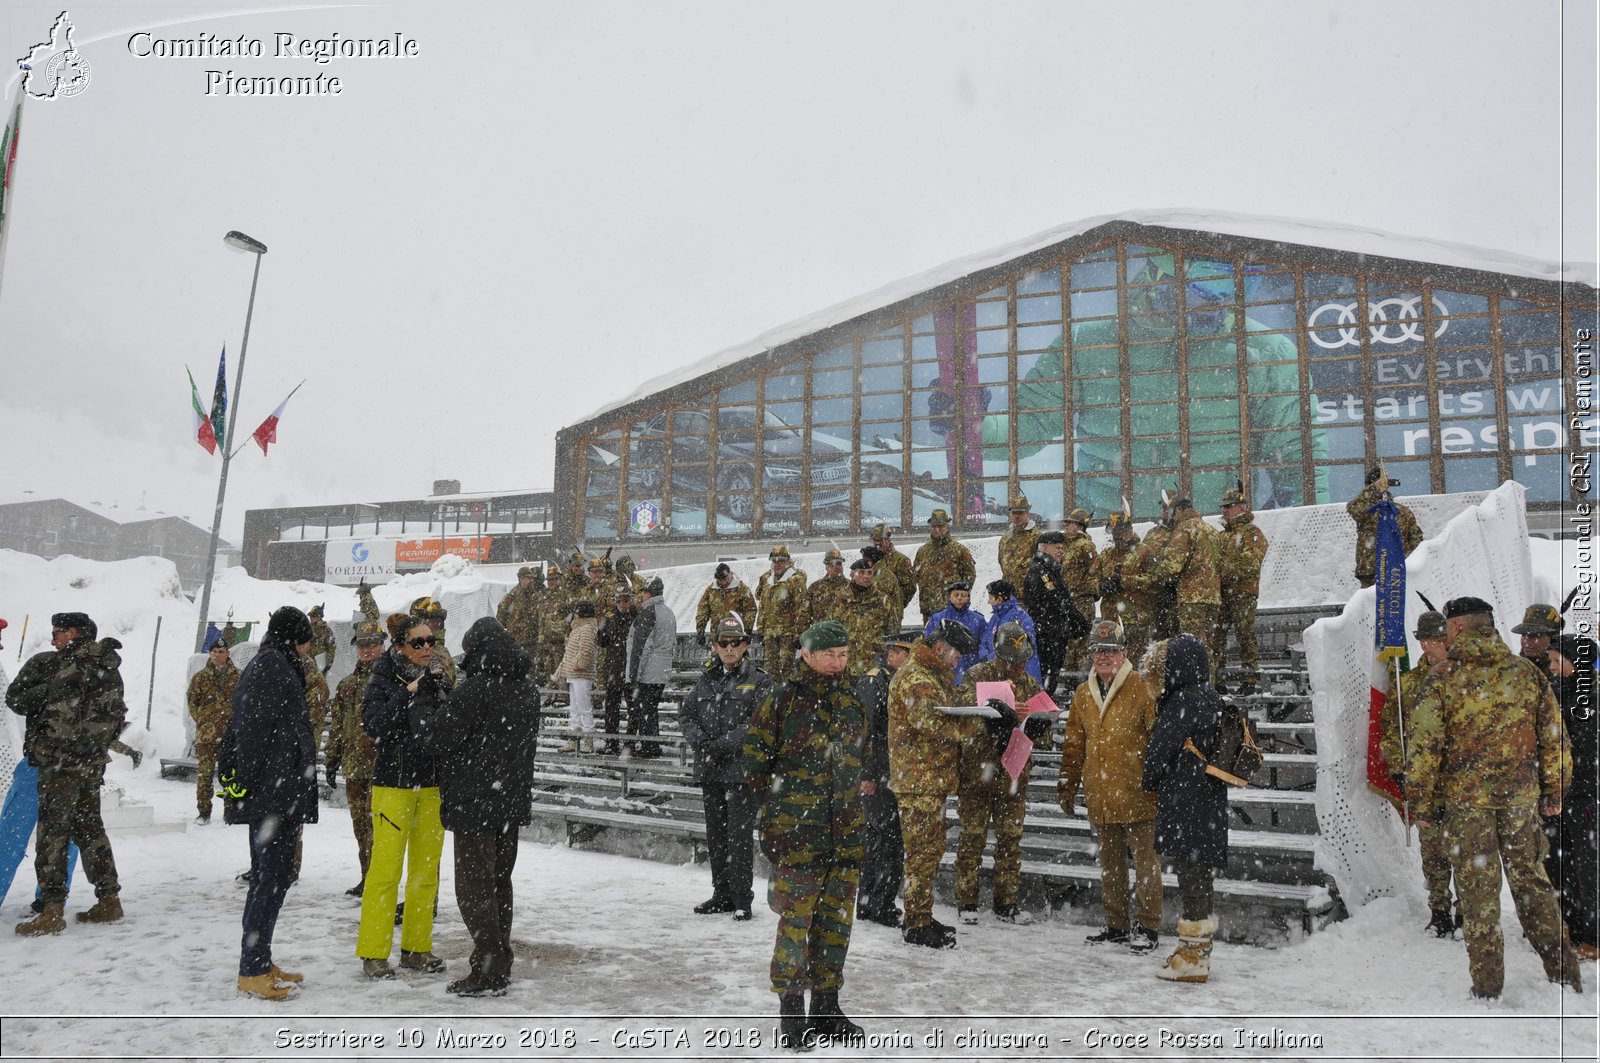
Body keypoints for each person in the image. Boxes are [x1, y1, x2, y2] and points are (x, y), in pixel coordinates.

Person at [1406, 597, 1581, 1000]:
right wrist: (1554, 793)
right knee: (1533, 886)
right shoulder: (1527, 675)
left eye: (1449, 628)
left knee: (1478, 897)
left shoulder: (1443, 678)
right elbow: (1555, 740)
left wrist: (1422, 803)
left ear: (1458, 628)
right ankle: (1564, 973)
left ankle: (1487, 989)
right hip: (1520, 803)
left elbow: (1424, 749)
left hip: (1468, 808)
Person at [743, 619, 867, 1050]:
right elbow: (755, 765)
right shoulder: (781, 701)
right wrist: (783, 815)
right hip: (798, 836)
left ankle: (827, 1008)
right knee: (795, 924)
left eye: (845, 655)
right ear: (808, 655)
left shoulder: (853, 700)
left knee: (835, 925)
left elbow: (859, 761)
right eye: (830, 655)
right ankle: (793, 1013)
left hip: (845, 833)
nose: (838, 663)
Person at [435, 617, 541, 997]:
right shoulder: (527, 691)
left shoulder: (474, 691)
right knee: (499, 885)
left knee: (474, 890)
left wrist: (423, 705)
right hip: (508, 804)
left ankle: (489, 964)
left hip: (473, 804)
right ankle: (499, 959)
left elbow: (437, 738)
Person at [219, 606, 319, 1000]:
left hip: (277, 791)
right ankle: (253, 968)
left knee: (268, 877)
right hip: (272, 795)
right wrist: (256, 787)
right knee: (271, 878)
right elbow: (251, 731)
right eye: (308, 637)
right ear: (296, 636)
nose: (312, 647)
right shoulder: (273, 666)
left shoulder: (275, 663)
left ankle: (260, 959)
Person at [8, 611, 127, 936]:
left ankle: (51, 910)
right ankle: (109, 898)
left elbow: (53, 714)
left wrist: (53, 746)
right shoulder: (109, 665)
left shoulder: (65, 666)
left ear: (73, 633)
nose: (53, 639)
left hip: (61, 765)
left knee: (53, 835)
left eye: (58, 633)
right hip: (90, 764)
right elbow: (117, 715)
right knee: (90, 830)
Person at [358, 613, 452, 979]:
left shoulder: (439, 677)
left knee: (426, 873)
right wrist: (408, 692)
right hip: (394, 786)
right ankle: (374, 952)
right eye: (419, 642)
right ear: (399, 646)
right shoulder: (382, 677)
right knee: (384, 873)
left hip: (431, 786)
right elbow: (374, 723)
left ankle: (417, 948)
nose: (428, 648)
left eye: (431, 641)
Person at [1060, 620, 1161, 952]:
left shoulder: (1144, 687)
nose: (1104, 657)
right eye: (1098, 651)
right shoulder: (1082, 693)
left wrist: (1159, 782)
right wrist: (1068, 782)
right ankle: (1116, 924)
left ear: (1125, 653)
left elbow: (1158, 742)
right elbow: (1074, 743)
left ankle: (1148, 927)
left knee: (1146, 865)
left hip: (1139, 792)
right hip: (1101, 793)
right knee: (1111, 865)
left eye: (1111, 651)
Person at [1141, 634, 1229, 983]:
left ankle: (1192, 959)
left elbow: (1158, 754)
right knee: (1200, 878)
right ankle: (1197, 949)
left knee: (1191, 878)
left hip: (1186, 803)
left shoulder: (1182, 702)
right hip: (1207, 803)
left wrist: (1149, 779)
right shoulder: (1211, 697)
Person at [889, 619, 981, 949]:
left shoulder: (931, 674)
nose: (958, 662)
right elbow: (931, 721)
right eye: (956, 655)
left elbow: (949, 704)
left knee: (930, 852)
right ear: (940, 649)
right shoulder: (916, 676)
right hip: (918, 782)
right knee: (921, 856)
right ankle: (916, 924)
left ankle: (921, 914)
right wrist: (979, 725)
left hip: (929, 780)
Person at [954, 621, 1053, 925]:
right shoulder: (976, 677)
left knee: (1010, 842)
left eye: (1022, 661)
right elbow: (961, 722)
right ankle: (967, 901)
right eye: (1011, 660)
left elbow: (1045, 735)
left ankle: (1006, 902)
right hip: (977, 774)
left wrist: (1035, 723)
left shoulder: (1030, 685)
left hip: (1013, 775)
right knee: (972, 840)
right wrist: (993, 719)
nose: (1016, 666)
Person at [681, 616, 772, 921]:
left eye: (736, 643)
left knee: (739, 838)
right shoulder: (705, 679)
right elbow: (687, 715)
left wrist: (722, 744)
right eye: (724, 643)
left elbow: (758, 724)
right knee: (716, 837)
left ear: (746, 645)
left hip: (740, 772)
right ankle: (721, 894)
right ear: (715, 646)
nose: (730, 648)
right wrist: (701, 742)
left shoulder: (760, 681)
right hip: (710, 770)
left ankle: (742, 900)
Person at [1378, 609, 1458, 936]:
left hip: (1462, 779)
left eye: (1442, 639)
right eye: (1432, 640)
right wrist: (1399, 768)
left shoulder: (1464, 676)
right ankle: (1439, 909)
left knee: (1466, 851)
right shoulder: (1409, 684)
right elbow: (1392, 729)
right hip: (1425, 779)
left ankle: (1468, 913)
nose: (1438, 645)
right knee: (1434, 851)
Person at [1546, 633, 1599, 961]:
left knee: (1587, 868)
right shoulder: (1553, 694)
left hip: (1585, 798)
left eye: (1556, 660)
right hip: (1555, 797)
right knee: (1556, 863)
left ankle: (1591, 936)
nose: (1551, 667)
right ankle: (1566, 925)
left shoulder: (1590, 699)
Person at [325, 619, 385, 896]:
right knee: (361, 827)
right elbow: (338, 724)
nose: (367, 650)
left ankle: (381, 882)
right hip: (354, 766)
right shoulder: (347, 684)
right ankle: (367, 877)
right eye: (362, 645)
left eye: (372, 644)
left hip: (382, 767)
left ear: (382, 646)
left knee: (382, 830)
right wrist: (332, 757)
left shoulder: (391, 680)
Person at [855, 636, 912, 928]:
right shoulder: (874, 682)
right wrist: (866, 774)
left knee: (881, 840)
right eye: (907, 654)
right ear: (892, 654)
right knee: (887, 840)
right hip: (878, 773)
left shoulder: (892, 680)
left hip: (890, 772)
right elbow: (863, 730)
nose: (911, 660)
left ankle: (871, 903)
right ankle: (879, 904)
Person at [1124, 498, 1220, 666]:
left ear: (1178, 511)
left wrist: (1154, 577)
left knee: (1191, 646)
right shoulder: (1211, 530)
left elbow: (1171, 566)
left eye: (1171, 512)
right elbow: (1222, 565)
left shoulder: (1184, 529)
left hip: (1192, 598)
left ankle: (1194, 688)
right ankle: (1207, 685)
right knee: (1207, 646)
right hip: (1213, 597)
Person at [1213, 485, 1270, 693]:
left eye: (1229, 506)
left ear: (1241, 507)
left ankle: (1249, 679)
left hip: (1243, 593)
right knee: (1217, 635)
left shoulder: (1252, 533)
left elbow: (1251, 562)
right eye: (1223, 507)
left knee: (1245, 634)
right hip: (1223, 593)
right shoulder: (1222, 536)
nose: (1224, 510)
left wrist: (1224, 572)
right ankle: (1218, 679)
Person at [188, 635, 239, 825]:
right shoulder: (200, 678)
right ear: (210, 654)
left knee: (230, 774)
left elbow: (245, 701)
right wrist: (204, 720)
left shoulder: (238, 676)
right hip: (207, 735)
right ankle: (203, 811)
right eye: (215, 652)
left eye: (221, 652)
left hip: (230, 735)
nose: (218, 655)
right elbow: (193, 703)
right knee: (205, 775)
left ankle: (230, 811)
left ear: (227, 653)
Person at [1092, 513, 1154, 667]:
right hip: (1110, 618)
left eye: (1119, 532)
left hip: (1135, 617)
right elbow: (1091, 579)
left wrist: (1124, 581)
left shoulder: (1144, 551)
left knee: (1132, 663)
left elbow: (1154, 581)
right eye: (1114, 532)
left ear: (1129, 530)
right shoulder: (1106, 554)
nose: (1116, 536)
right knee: (1109, 661)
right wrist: (1101, 586)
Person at [1347, 465, 1424, 589]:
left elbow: (1416, 542)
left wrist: (1414, 565)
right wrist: (1373, 489)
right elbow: (1354, 509)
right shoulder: (1367, 511)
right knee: (1373, 605)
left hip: (1398, 570)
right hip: (1371, 571)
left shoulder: (1402, 512)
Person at [627, 577, 676, 758]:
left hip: (649, 670)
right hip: (662, 669)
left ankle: (649, 747)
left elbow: (642, 647)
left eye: (642, 592)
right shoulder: (669, 612)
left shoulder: (649, 613)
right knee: (651, 709)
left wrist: (634, 674)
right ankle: (652, 744)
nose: (640, 596)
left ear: (648, 593)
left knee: (645, 710)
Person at [1023, 532, 1077, 695]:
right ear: (1044, 548)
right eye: (1057, 547)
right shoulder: (1041, 571)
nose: (1061, 551)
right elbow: (1056, 598)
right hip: (1047, 633)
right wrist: (1075, 618)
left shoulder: (1051, 569)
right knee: (1046, 676)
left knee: (1051, 675)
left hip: (1053, 631)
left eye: (1062, 548)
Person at [910, 509, 976, 627]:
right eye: (934, 526)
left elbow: (969, 577)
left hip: (953, 611)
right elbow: (915, 577)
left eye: (941, 526)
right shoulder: (922, 552)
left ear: (947, 526)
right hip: (929, 610)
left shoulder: (959, 550)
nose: (937, 530)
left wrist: (959, 600)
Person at [756, 547, 809, 683]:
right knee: (770, 668)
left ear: (788, 562)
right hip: (769, 632)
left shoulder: (795, 580)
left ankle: (786, 697)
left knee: (786, 668)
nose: (778, 564)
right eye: (774, 561)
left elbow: (801, 608)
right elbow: (763, 605)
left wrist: (799, 633)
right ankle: (772, 697)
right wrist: (760, 629)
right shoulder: (767, 579)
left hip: (788, 633)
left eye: (781, 561)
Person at [551, 601, 598, 754]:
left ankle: (588, 740)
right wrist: (561, 670)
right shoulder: (577, 629)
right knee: (575, 708)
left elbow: (586, 649)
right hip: (573, 674)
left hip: (581, 674)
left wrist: (579, 663)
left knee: (584, 707)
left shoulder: (586, 629)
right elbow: (568, 654)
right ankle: (574, 738)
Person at [595, 588, 637, 755]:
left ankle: (630, 743)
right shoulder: (610, 620)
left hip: (630, 670)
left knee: (633, 709)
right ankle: (611, 742)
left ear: (631, 601)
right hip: (614, 669)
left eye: (625, 600)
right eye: (619, 601)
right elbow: (602, 642)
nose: (622, 604)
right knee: (611, 709)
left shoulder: (636, 620)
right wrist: (601, 629)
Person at [839, 558, 896, 680]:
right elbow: (833, 631)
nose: (866, 576)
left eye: (870, 573)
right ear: (853, 575)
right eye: (861, 573)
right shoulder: (841, 599)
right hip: (847, 665)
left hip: (874, 666)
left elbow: (892, 632)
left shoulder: (882, 600)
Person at [922, 580, 986, 685]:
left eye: (963, 595)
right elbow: (928, 644)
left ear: (969, 598)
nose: (959, 598)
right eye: (956, 595)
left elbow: (984, 644)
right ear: (949, 597)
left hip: (969, 670)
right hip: (943, 669)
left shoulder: (979, 620)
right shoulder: (937, 618)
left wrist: (975, 660)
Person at [1059, 508, 1099, 671]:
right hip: (1067, 600)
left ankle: (1081, 679)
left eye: (1071, 523)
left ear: (1080, 526)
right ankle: (1069, 676)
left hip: (1081, 600)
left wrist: (1088, 590)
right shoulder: (1064, 544)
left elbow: (1095, 570)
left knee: (1081, 642)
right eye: (1066, 522)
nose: (1066, 525)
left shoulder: (1085, 545)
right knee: (1068, 641)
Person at [978, 580, 1040, 684]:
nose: (989, 602)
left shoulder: (1020, 617)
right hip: (998, 671)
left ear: (999, 599)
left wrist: (992, 658)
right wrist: (984, 656)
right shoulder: (995, 617)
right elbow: (985, 640)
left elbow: (1021, 647)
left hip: (1018, 674)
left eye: (991, 598)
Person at [496, 565, 546, 679]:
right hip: (516, 641)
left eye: (532, 578)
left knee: (531, 671)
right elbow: (500, 616)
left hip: (532, 641)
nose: (531, 581)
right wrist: (512, 628)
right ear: (521, 579)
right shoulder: (512, 596)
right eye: (528, 578)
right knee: (516, 670)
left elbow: (541, 616)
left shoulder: (536, 595)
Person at [695, 563, 759, 645]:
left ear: (730, 574)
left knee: (735, 656)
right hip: (717, 635)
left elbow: (750, 610)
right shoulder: (711, 590)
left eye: (725, 579)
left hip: (736, 635)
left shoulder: (741, 589)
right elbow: (703, 609)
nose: (723, 582)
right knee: (718, 656)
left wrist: (747, 630)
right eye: (720, 580)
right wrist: (700, 630)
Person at [867, 524, 916, 617]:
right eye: (875, 541)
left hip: (892, 614)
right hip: (871, 613)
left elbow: (910, 589)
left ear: (888, 540)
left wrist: (896, 605)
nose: (878, 544)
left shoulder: (901, 560)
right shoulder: (870, 560)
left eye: (881, 540)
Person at [996, 496, 1040, 591]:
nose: (1016, 516)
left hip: (1029, 593)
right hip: (1008, 594)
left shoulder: (1037, 537)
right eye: (1014, 513)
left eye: (1020, 513)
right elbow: (1001, 561)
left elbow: (1044, 566)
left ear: (1027, 514)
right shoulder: (1005, 538)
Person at [1513, 603, 1563, 681]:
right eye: (1523, 635)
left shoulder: (1566, 673)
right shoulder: (1512, 670)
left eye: (1534, 636)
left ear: (1552, 638)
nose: (1526, 641)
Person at [802, 550, 851, 627]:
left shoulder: (851, 587)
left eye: (839, 563)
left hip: (844, 635)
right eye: (833, 564)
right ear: (826, 567)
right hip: (821, 635)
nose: (837, 567)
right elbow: (804, 614)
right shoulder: (815, 588)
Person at [306, 604, 337, 676]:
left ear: (319, 617)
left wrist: (328, 665)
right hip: (308, 663)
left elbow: (331, 648)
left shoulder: (326, 630)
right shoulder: (308, 628)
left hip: (319, 664)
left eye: (314, 616)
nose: (311, 618)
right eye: (311, 616)